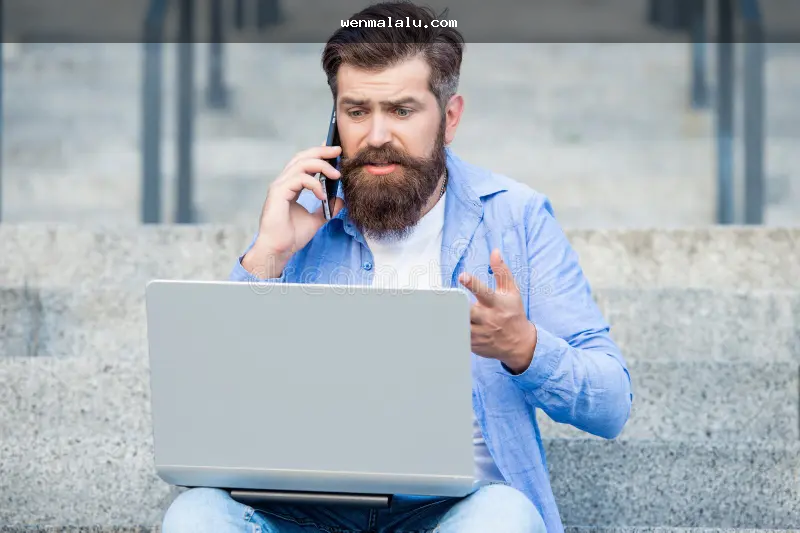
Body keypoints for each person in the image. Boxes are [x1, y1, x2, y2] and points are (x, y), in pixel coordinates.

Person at [161, 1, 633, 532]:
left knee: (504, 519)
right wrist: (268, 256)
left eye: (402, 111)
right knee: (195, 515)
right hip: (298, 512)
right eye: (357, 111)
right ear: (335, 117)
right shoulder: (300, 217)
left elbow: (612, 403)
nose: (377, 135)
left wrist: (523, 347)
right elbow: (213, 412)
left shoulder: (515, 217)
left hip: (455, 512)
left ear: (449, 117)